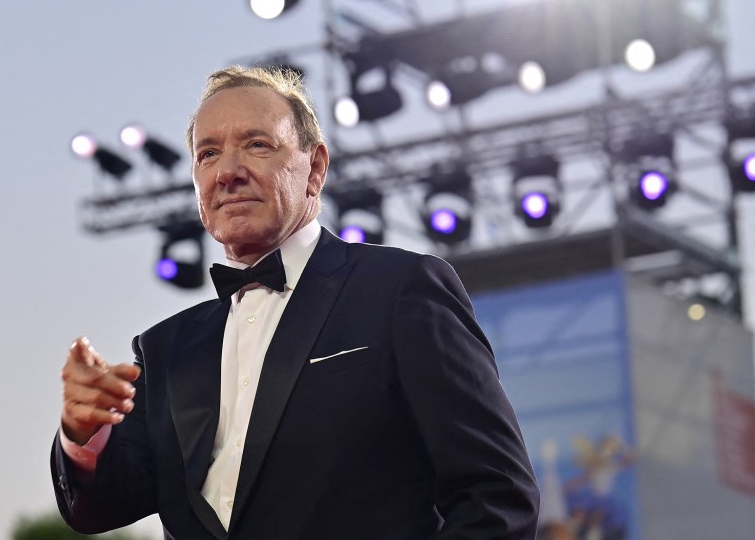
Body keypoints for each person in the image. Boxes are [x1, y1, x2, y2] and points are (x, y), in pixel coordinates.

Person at [51, 65, 539, 540]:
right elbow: (103, 506)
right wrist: (81, 434)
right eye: (208, 154)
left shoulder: (400, 289)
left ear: (315, 167)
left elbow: (496, 497)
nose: (229, 171)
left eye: (257, 145)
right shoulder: (165, 349)